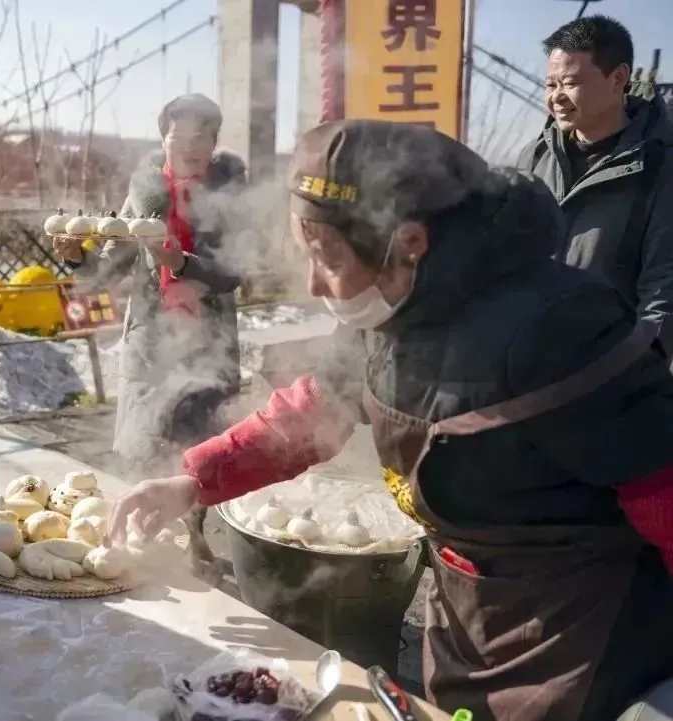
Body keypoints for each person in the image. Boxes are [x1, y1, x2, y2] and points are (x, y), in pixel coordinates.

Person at [110, 119, 673, 721]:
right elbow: (315, 406)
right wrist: (194, 480)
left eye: (325, 256)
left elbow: (662, 491)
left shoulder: (560, 330)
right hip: (466, 612)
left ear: (408, 242)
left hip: (584, 643)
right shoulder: (396, 305)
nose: (311, 282)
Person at [52, 93, 248, 566]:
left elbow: (234, 272)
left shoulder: (230, 195)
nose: (190, 144)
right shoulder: (144, 193)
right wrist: (75, 256)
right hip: (150, 340)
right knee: (145, 444)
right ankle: (145, 544)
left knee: (198, 447)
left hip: (208, 342)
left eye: (202, 134)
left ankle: (197, 547)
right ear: (164, 138)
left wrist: (180, 262)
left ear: (215, 142)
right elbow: (109, 269)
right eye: (179, 133)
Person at [518, 15, 673, 355]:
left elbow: (664, 290)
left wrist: (633, 371)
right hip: (530, 367)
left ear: (618, 78)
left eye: (570, 83)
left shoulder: (660, 164)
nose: (557, 97)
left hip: (611, 374)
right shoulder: (535, 156)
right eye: (550, 85)